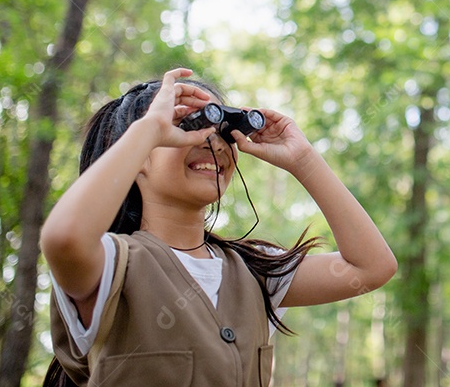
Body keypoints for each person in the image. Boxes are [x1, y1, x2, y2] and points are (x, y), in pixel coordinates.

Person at [40, 67, 397, 386]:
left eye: (224, 130)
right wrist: (149, 129)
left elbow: (371, 267)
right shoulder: (111, 266)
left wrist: (303, 160)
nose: (211, 142)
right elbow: (63, 237)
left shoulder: (256, 274)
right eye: (188, 126)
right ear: (133, 152)